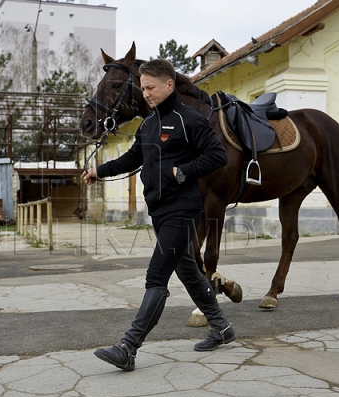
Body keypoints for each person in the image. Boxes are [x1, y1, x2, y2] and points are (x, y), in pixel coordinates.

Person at [81, 58, 235, 372]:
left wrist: (184, 171)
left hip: (183, 211)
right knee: (189, 272)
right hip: (160, 212)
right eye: (144, 87)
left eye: (151, 87)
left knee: (156, 277)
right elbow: (131, 158)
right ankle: (222, 327)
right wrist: (98, 170)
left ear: (168, 85)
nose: (146, 93)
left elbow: (217, 155)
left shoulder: (189, 119)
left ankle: (128, 347)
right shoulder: (148, 123)